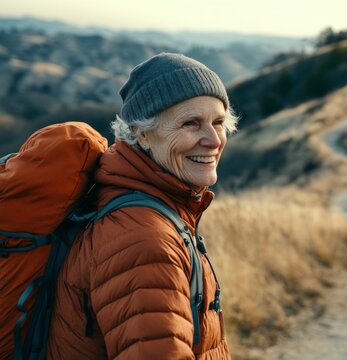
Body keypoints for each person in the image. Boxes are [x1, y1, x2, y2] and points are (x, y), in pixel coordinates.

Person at [46, 53, 238, 359]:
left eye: (218, 122)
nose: (214, 140)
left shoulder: (147, 205)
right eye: (191, 123)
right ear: (141, 134)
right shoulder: (143, 240)